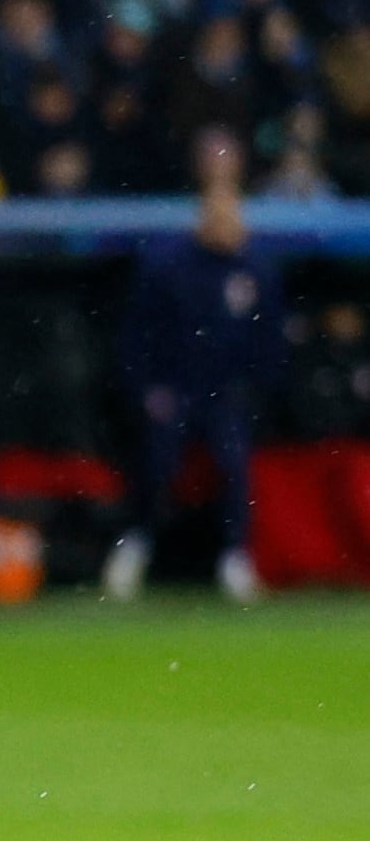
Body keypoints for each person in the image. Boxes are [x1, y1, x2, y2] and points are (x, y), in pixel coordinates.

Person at [106, 173, 280, 603]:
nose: (225, 223)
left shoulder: (255, 269)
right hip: (175, 388)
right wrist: (146, 390)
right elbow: (137, 337)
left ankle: (234, 557)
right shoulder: (169, 266)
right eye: (216, 214)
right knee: (156, 462)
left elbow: (269, 343)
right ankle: (136, 545)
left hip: (226, 393)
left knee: (235, 463)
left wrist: (256, 393)